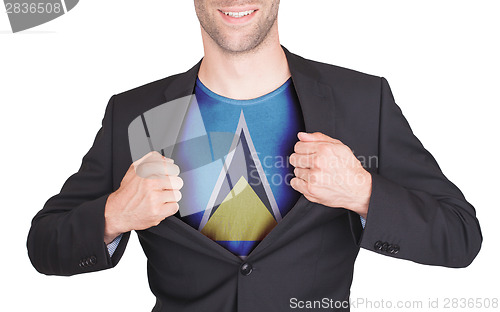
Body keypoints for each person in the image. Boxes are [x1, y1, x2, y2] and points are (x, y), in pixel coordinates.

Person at [27, 1, 482, 311]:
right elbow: (44, 245)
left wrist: (363, 192)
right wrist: (114, 214)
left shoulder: (362, 101)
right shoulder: (135, 113)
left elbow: (460, 236)